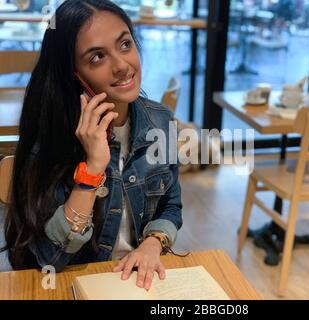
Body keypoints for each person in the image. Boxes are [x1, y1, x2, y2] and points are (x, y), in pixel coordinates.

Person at [0, 0, 183, 291]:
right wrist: (92, 170)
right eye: (97, 57)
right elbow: (49, 260)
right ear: (74, 75)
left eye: (125, 44)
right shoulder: (50, 140)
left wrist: (152, 242)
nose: (122, 66)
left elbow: (170, 206)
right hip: (68, 286)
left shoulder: (160, 121)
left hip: (135, 283)